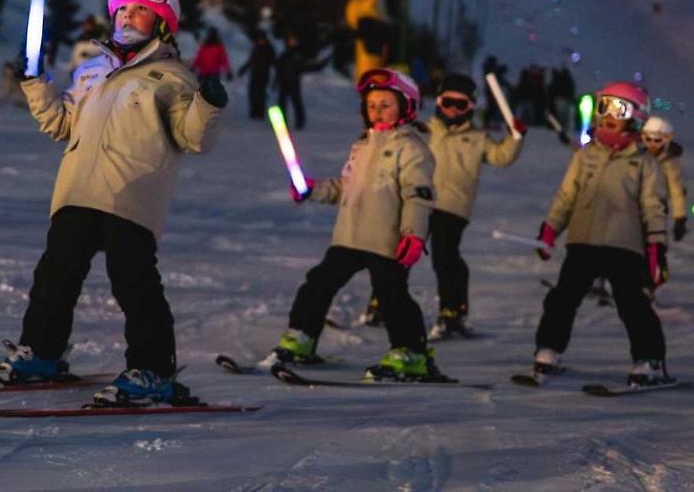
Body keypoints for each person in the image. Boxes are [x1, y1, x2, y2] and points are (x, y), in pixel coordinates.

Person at [0, 0, 226, 406]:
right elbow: (62, 125)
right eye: (121, 9)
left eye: (139, 11)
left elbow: (193, 138)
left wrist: (208, 105)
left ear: (162, 22)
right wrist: (36, 85)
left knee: (133, 281)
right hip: (77, 191)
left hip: (130, 194)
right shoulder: (92, 73)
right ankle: (41, 352)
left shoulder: (172, 79)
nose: (126, 17)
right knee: (55, 275)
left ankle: (153, 369)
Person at [266, 68, 442, 382]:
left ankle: (411, 352)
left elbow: (419, 196)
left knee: (392, 294)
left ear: (407, 107)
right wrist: (313, 189)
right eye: (371, 105)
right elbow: (344, 187)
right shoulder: (361, 146)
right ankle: (301, 338)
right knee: (318, 283)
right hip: (349, 235)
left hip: (387, 237)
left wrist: (414, 235)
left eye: (386, 104)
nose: (377, 111)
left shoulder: (412, 149)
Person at [531, 81, 671, 386]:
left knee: (632, 303)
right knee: (563, 298)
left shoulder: (643, 163)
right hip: (583, 241)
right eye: (603, 106)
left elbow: (653, 208)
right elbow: (566, 197)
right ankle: (549, 348)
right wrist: (550, 229)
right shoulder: (586, 156)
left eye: (617, 109)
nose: (608, 114)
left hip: (623, 244)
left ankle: (649, 359)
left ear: (635, 117)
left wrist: (656, 247)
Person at [424, 73, 526, 339]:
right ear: (438, 102)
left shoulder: (477, 137)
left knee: (444, 257)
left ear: (470, 107)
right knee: (398, 250)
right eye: (448, 103)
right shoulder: (425, 131)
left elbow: (501, 157)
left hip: (453, 206)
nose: (454, 111)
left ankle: (452, 309)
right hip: (421, 202)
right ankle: (381, 302)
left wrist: (515, 138)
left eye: (461, 105)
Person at [640, 116, 688, 246]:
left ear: (666, 140)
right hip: (633, 211)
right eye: (648, 139)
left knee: (655, 248)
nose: (652, 144)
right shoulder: (638, 157)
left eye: (657, 141)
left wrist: (680, 218)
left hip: (657, 212)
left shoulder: (669, 163)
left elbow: (677, 191)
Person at [273, 34, 327, 131]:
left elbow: (306, 67)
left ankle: (300, 122)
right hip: (284, 82)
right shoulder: (284, 55)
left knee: (296, 103)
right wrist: (275, 82)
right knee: (282, 104)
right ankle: (282, 124)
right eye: (291, 41)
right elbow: (279, 70)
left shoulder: (298, 55)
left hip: (293, 82)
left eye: (294, 41)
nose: (293, 42)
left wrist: (319, 65)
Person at [237, 28, 275, 119]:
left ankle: (260, 112)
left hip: (264, 73)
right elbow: (252, 60)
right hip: (255, 72)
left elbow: (273, 60)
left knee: (260, 93)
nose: (259, 40)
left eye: (261, 39)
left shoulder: (269, 48)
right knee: (252, 92)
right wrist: (244, 68)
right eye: (258, 39)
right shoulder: (256, 47)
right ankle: (254, 111)